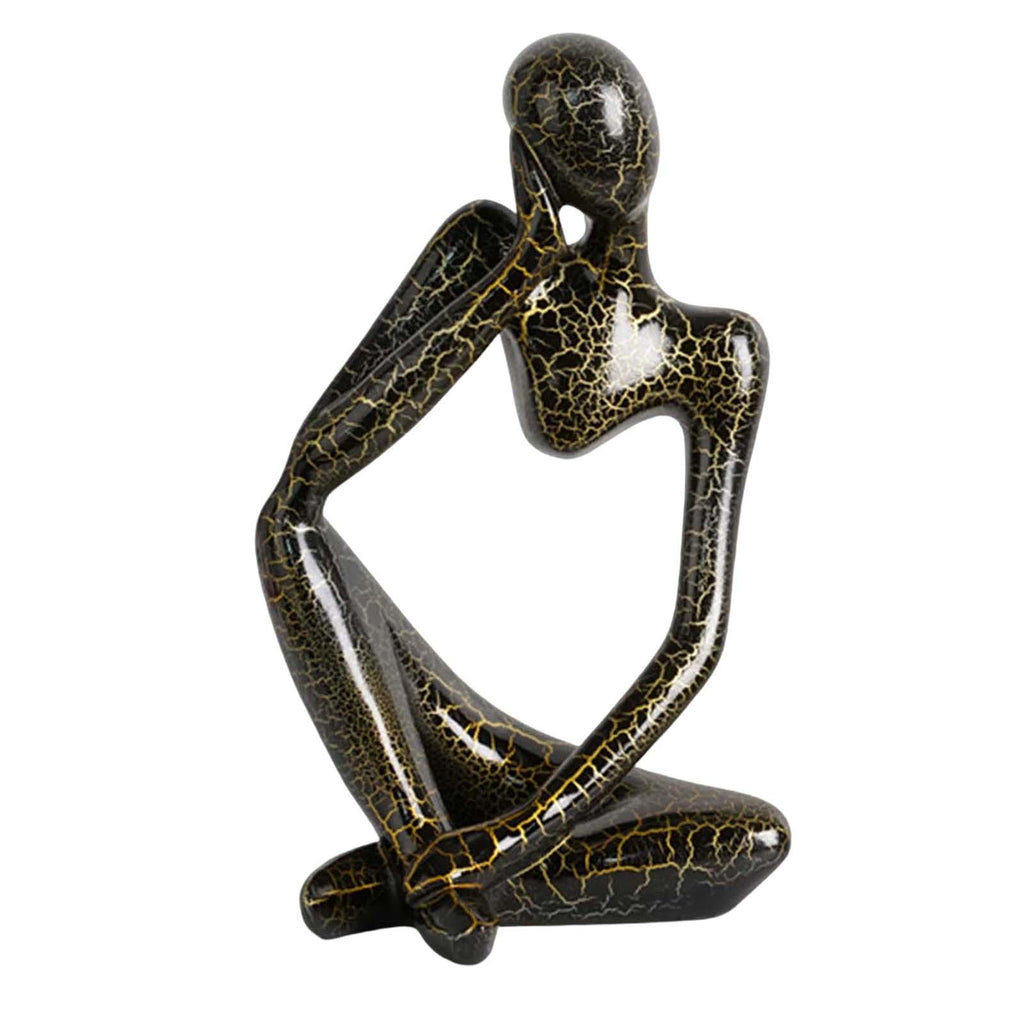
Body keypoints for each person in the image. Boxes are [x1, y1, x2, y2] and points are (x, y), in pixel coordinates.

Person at [257, 34, 788, 965]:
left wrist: (521, 832)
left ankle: (430, 880)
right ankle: (429, 853)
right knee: (285, 532)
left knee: (754, 840)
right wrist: (515, 273)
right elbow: (310, 472)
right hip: (443, 730)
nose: (616, 166)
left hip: (569, 784)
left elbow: (696, 639)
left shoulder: (721, 352)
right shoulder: (488, 254)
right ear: (527, 160)